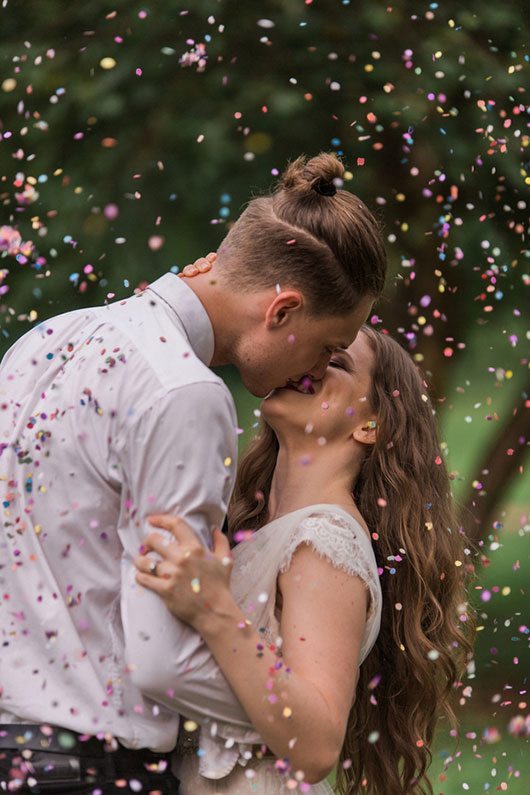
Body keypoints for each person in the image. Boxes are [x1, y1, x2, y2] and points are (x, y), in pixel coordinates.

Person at [0, 153, 386, 793]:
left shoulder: (45, 340)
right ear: (282, 309)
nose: (314, 368)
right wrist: (306, 728)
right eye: (327, 346)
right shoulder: (182, 391)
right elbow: (160, 661)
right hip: (89, 772)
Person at [133, 325, 475, 794]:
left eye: (334, 362)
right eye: (311, 349)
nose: (307, 365)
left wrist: (212, 609)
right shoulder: (260, 527)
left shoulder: (324, 542)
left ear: (371, 424)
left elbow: (316, 746)